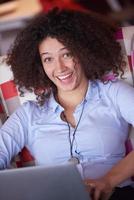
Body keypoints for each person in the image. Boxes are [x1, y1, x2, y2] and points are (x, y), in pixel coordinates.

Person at [0, 8, 134, 199]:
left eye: (67, 54)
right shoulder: (29, 114)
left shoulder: (113, 92)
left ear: (83, 52)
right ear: (40, 65)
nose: (60, 68)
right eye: (48, 59)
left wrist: (108, 181)